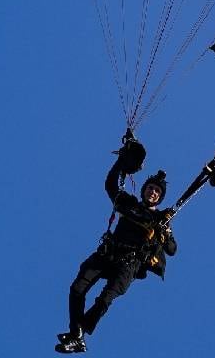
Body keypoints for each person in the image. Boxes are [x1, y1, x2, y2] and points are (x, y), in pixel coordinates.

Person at [56, 138, 177, 354]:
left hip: (128, 264)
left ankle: (80, 332)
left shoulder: (160, 219)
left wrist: (166, 233)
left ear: (160, 197)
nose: (153, 192)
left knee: (104, 299)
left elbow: (171, 250)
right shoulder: (128, 203)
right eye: (150, 188)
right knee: (76, 289)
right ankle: (76, 334)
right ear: (143, 190)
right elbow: (110, 185)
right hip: (108, 253)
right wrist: (121, 160)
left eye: (157, 191)